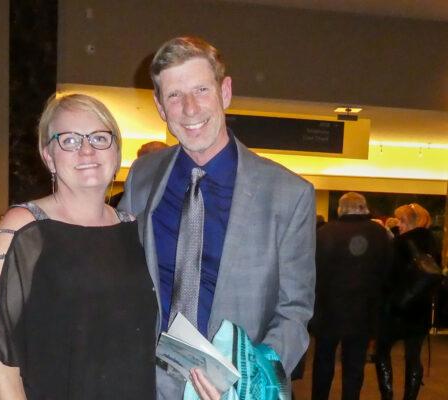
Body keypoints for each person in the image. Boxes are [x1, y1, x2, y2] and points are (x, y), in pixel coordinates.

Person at [119, 36, 316, 400]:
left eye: (201, 90)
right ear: (160, 106)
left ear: (225, 92)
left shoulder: (289, 194)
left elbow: (294, 310)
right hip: (144, 383)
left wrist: (251, 376)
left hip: (234, 389)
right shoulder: (142, 177)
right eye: (174, 96)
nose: (190, 109)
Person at [0, 93, 157, 399]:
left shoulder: (134, 229)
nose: (87, 150)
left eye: (100, 138)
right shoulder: (22, 228)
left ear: (116, 150)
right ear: (49, 156)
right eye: (70, 140)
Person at [310, 192, 391, 400]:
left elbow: (312, 272)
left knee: (323, 361)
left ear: (340, 209)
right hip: (362, 313)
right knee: (354, 366)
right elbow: (387, 273)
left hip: (327, 311)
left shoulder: (324, 232)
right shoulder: (379, 234)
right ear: (364, 208)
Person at [375, 203, 440, 400]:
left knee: (382, 352)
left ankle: (388, 395)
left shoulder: (399, 244)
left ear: (411, 222)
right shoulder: (433, 243)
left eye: (402, 221)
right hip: (420, 309)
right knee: (413, 356)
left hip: (395, 309)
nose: (399, 225)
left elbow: (388, 277)